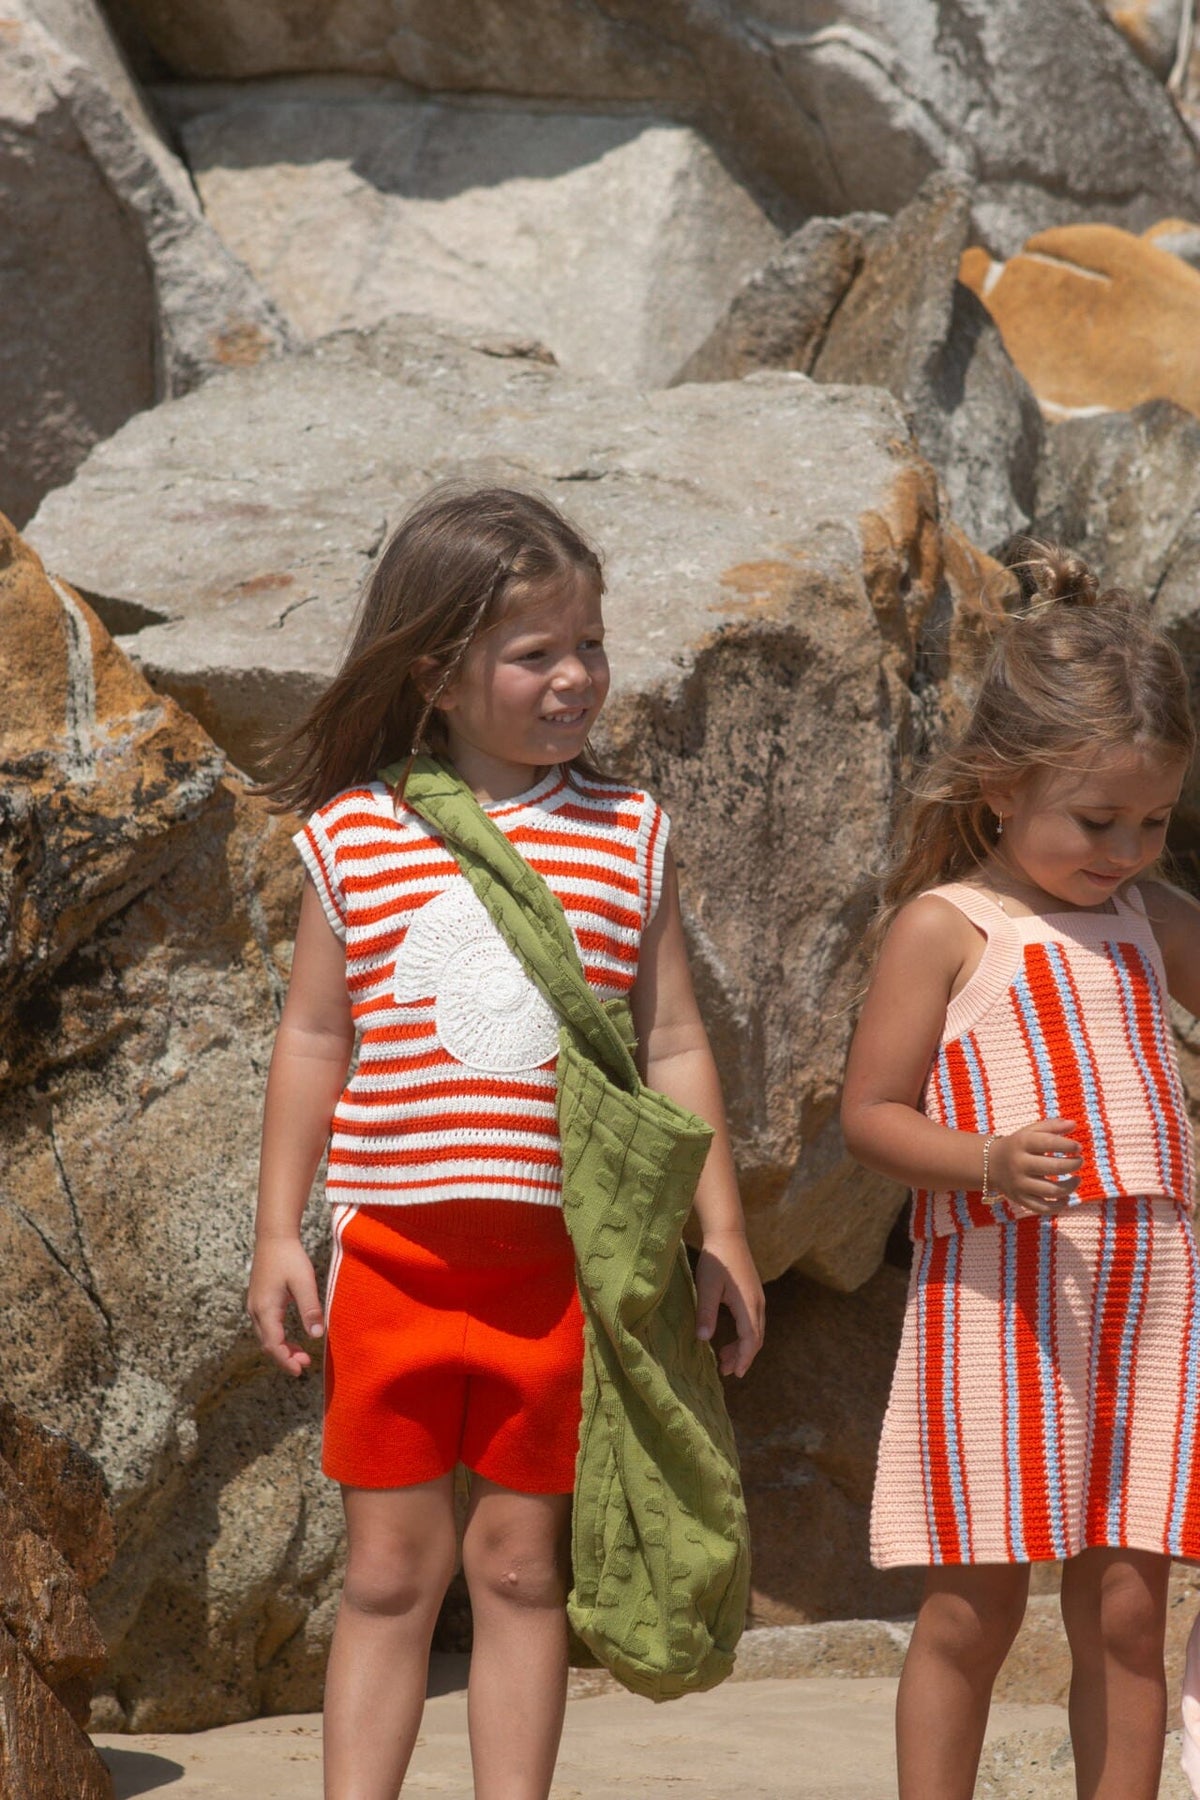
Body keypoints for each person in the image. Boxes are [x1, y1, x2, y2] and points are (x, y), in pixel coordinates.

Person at [246, 485, 764, 1800]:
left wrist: (723, 1232)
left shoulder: (629, 833)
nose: (576, 676)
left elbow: (673, 1043)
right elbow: (312, 1038)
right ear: (436, 671)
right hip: (392, 1258)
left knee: (526, 1573)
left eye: (590, 644)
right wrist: (278, 1233)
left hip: (558, 1273)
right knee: (387, 1576)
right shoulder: (354, 838)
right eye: (537, 652)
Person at [841, 545, 1199, 1800]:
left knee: (1129, 1612)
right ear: (1001, 786)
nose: (1128, 849)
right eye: (1099, 821)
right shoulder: (949, 927)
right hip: (1002, 1307)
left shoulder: (1152, 920)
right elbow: (870, 1116)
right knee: (973, 1609)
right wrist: (984, 1160)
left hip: (1149, 1306)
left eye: (1156, 822)